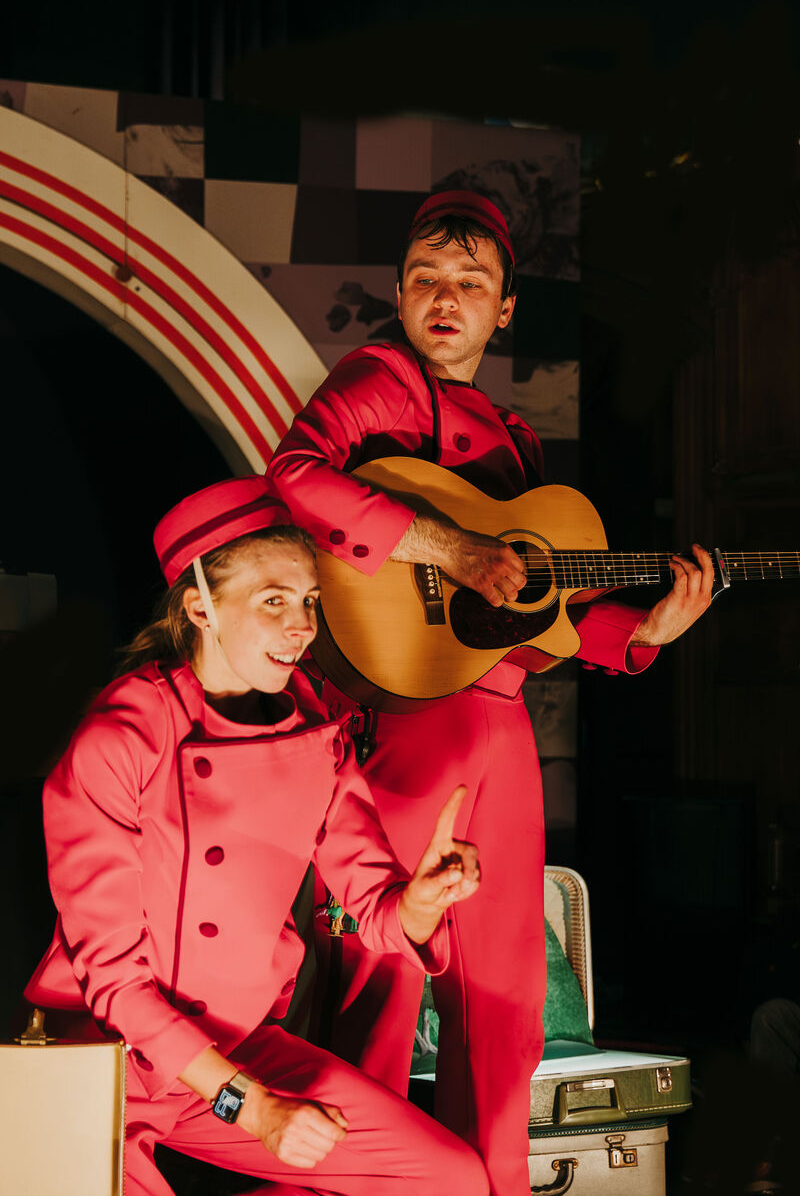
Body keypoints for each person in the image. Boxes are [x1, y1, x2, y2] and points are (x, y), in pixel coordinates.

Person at [267, 189, 715, 1196]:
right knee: (378, 993)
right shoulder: (379, 380)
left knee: (504, 1008)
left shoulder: (512, 440)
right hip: (401, 727)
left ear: (503, 310)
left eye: (470, 285)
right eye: (425, 279)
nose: (444, 299)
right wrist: (448, 545)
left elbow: (532, 626)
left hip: (499, 733)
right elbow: (296, 475)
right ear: (397, 292)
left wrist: (640, 633)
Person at [23, 476, 490, 1196]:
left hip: (241, 1047)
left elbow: (374, 905)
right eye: (273, 600)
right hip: (107, 1064)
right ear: (198, 607)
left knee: (447, 1180)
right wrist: (254, 1106)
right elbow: (114, 982)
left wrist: (423, 900)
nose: (302, 624)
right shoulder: (121, 738)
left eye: (307, 601)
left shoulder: (315, 731)